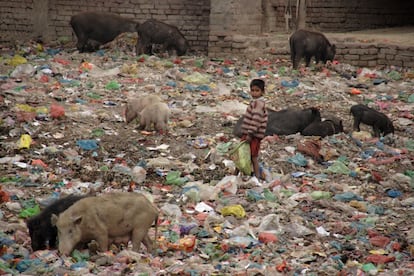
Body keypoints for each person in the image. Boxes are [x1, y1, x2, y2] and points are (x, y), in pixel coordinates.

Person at [240, 78, 268, 181]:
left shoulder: (258, 104)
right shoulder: (254, 102)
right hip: (249, 134)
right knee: (242, 154)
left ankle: (257, 177)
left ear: (262, 92)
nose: (254, 93)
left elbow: (256, 120)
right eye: (252, 90)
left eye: (257, 91)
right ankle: (237, 175)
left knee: (253, 157)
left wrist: (250, 134)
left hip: (253, 136)